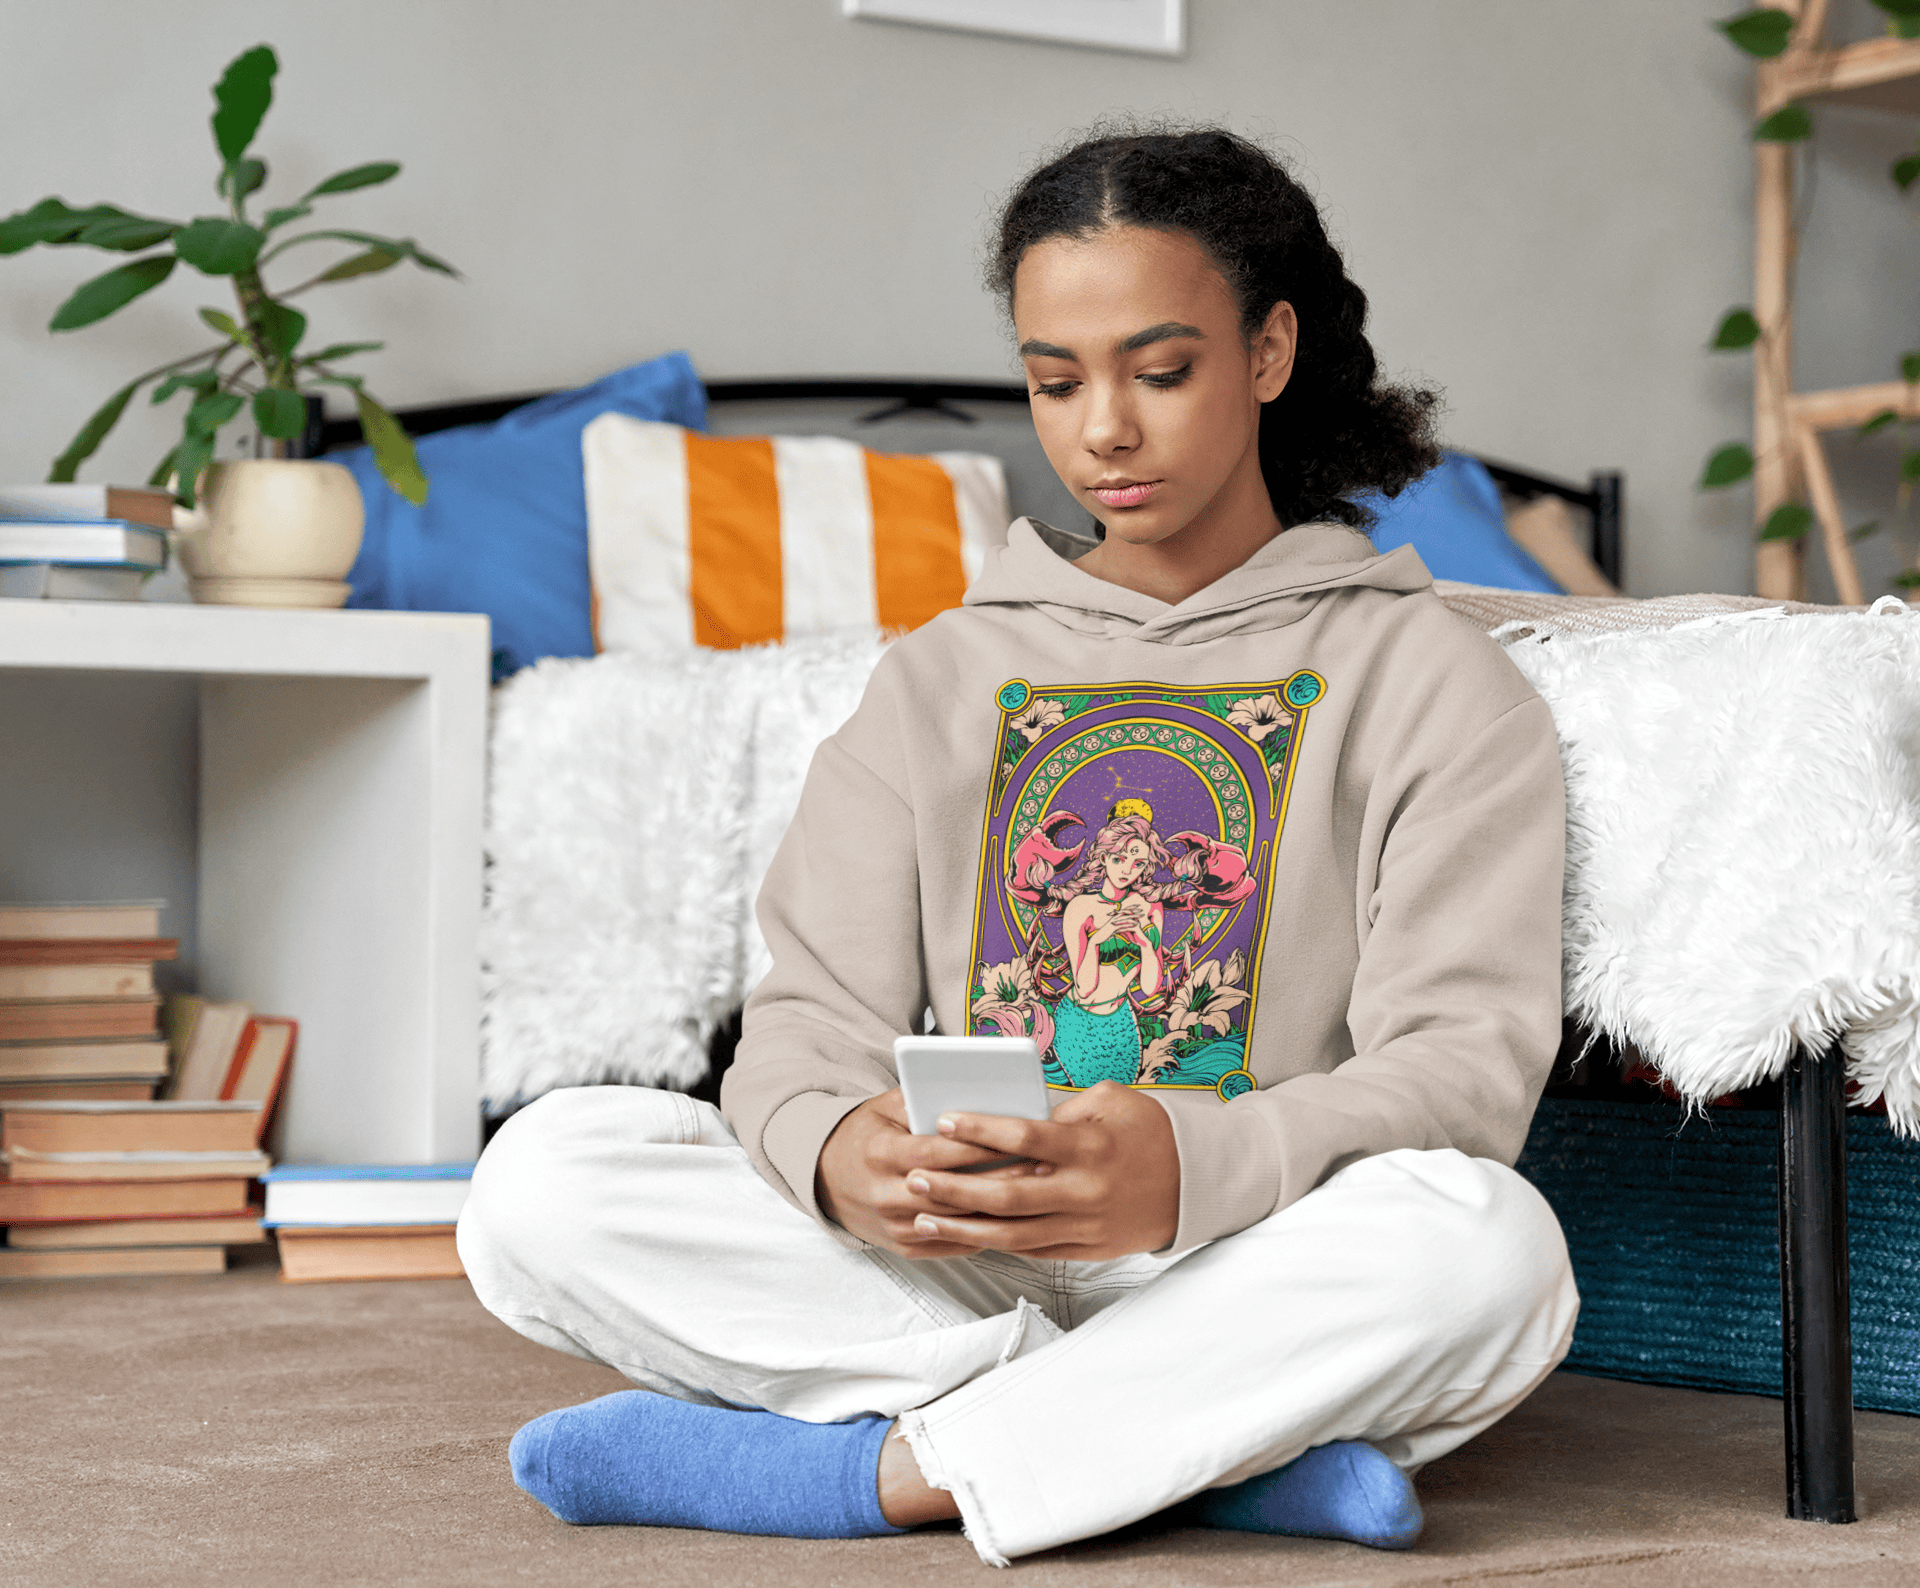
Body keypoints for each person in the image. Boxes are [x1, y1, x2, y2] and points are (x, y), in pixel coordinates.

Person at [457, 125, 1578, 1568]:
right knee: (540, 1179)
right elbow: (805, 1032)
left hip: (1247, 1244)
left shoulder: (1430, 680)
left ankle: (888, 1473)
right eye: (1055, 382)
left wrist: (1192, 1164)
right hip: (942, 1262)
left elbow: (1459, 1075)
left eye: (1160, 370)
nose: (1102, 428)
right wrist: (836, 1152)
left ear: (1270, 350)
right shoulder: (937, 678)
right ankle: (1204, 1452)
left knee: (1491, 1248)